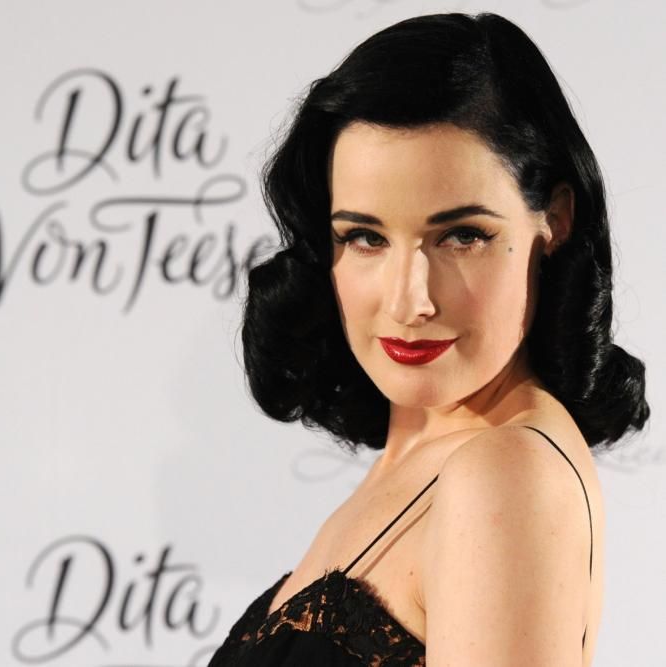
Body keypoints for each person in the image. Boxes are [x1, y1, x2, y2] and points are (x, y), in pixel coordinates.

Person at [208, 11, 649, 666]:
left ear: (554, 220)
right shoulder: (422, 461)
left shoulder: (504, 472)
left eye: (461, 236)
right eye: (365, 237)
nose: (408, 301)